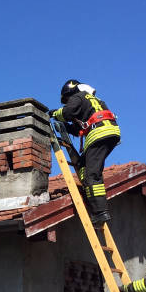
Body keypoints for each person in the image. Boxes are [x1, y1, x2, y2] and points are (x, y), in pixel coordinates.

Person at [50, 80, 120, 224]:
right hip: (109, 133)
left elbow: (68, 112)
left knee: (92, 174)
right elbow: (79, 128)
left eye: (67, 99)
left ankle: (100, 212)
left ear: (71, 92)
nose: (67, 102)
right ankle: (91, 195)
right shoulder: (94, 100)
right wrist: (66, 127)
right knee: (83, 165)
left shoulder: (78, 96)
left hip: (98, 135)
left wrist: (54, 114)